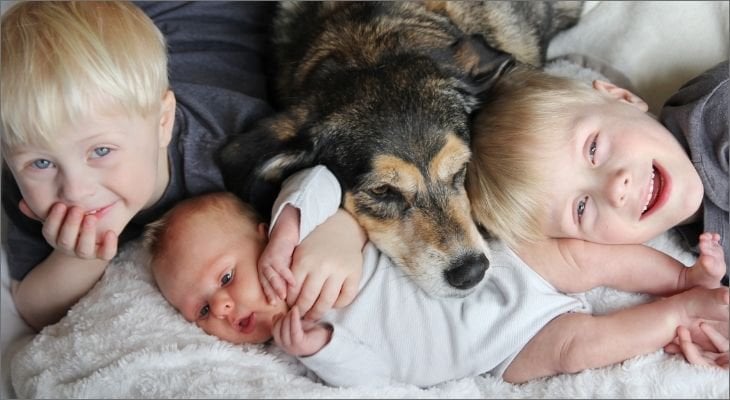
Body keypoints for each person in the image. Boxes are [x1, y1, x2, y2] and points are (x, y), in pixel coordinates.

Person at [145, 166, 729, 387]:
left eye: (224, 277)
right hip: (497, 347)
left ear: (258, 235)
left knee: (582, 258)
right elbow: (376, 378)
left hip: (505, 268)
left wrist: (288, 228)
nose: (221, 308)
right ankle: (679, 312)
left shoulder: (295, 238)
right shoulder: (298, 345)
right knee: (578, 349)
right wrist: (324, 349)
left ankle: (681, 280)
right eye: (200, 311)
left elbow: (319, 177)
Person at [1, 1, 361, 331]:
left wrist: (340, 232)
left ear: (162, 122)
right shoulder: (27, 180)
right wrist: (77, 256)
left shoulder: (231, 146)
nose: (75, 189)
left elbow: (338, 176)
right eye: (42, 163)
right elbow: (33, 309)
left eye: (101, 151)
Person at [465, 61, 728, 363]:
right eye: (581, 207)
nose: (616, 188)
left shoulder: (716, 117)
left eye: (593, 149)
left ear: (622, 97)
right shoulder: (696, 249)